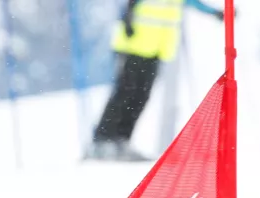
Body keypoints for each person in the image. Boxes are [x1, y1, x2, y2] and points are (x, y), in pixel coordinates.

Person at [85, 0, 227, 162]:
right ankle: (102, 140)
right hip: (134, 44)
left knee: (141, 96)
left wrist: (216, 13)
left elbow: (194, 3)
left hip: (156, 48)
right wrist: (127, 17)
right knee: (125, 92)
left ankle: (122, 140)